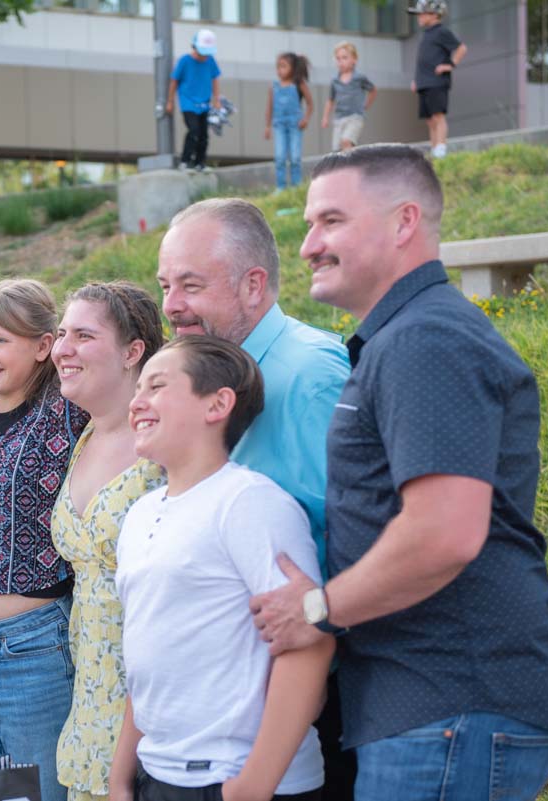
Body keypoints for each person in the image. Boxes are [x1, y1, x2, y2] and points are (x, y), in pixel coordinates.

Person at [252, 144, 548, 800]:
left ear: (404, 222)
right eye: (310, 223)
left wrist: (316, 608)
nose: (310, 243)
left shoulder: (425, 339)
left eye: (332, 222)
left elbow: (444, 532)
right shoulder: (404, 337)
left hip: (452, 703)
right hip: (438, 707)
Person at [156, 198, 353, 796]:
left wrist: (317, 632)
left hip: (314, 686)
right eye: (165, 285)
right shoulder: (205, 375)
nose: (170, 306)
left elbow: (353, 532)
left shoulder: (308, 376)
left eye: (190, 285)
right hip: (224, 700)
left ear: (253, 285)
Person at [111, 336, 331, 801]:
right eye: (138, 390)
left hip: (237, 779)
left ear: (217, 404)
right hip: (158, 774)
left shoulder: (250, 502)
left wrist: (251, 786)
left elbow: (309, 644)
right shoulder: (139, 514)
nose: (138, 402)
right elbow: (149, 654)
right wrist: (120, 778)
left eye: (157, 386)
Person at [0, 279, 89, 801]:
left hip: (32, 649)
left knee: (45, 794)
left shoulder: (71, 413)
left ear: (44, 346)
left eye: (1, 340)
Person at [49, 282, 165, 801]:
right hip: (90, 699)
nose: (62, 349)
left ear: (132, 352)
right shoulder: (86, 436)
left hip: (151, 705)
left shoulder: (161, 441)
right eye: (60, 334)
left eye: (83, 335)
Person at [408, 0, 466, 159]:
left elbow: (461, 48)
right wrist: (417, 80)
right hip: (424, 82)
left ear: (434, 14)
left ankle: (441, 148)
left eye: (421, 13)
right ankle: (434, 149)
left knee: (437, 116)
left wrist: (450, 65)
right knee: (429, 119)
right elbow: (423, 60)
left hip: (437, 82)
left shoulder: (442, 32)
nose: (418, 17)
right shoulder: (426, 34)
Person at [167, 29, 221, 172]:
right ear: (194, 46)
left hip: (205, 103)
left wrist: (217, 99)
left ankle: (199, 163)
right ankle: (185, 161)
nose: (204, 56)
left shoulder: (210, 61)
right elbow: (174, 80)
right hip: (188, 103)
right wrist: (170, 101)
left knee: (204, 135)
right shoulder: (185, 61)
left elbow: (215, 78)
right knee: (194, 131)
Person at [264, 53, 313, 192]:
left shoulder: (299, 84)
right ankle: (281, 187)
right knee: (280, 157)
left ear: (292, 68)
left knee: (295, 157)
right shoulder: (273, 86)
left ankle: (296, 187)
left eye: (283, 66)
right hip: (279, 125)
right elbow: (269, 107)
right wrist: (267, 126)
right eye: (278, 66)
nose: (280, 70)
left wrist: (306, 119)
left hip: (295, 125)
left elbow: (310, 104)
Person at [322, 42, 376, 152]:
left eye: (344, 58)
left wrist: (366, 105)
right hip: (339, 119)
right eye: (338, 59)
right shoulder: (335, 81)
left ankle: (350, 167)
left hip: (355, 117)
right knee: (336, 149)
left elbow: (373, 90)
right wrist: (325, 117)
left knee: (346, 141)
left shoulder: (359, 78)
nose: (341, 61)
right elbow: (330, 100)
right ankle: (345, 166)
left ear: (354, 60)